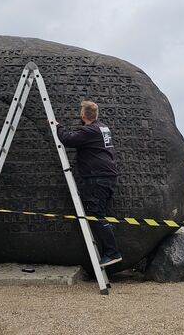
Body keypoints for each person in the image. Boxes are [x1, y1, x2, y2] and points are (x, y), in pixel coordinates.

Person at [55, 101, 122, 267]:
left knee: (95, 213)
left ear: (83, 115)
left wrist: (57, 126)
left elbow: (68, 139)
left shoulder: (90, 130)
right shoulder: (102, 128)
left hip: (97, 178)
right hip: (107, 176)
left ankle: (112, 252)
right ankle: (110, 251)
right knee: (100, 213)